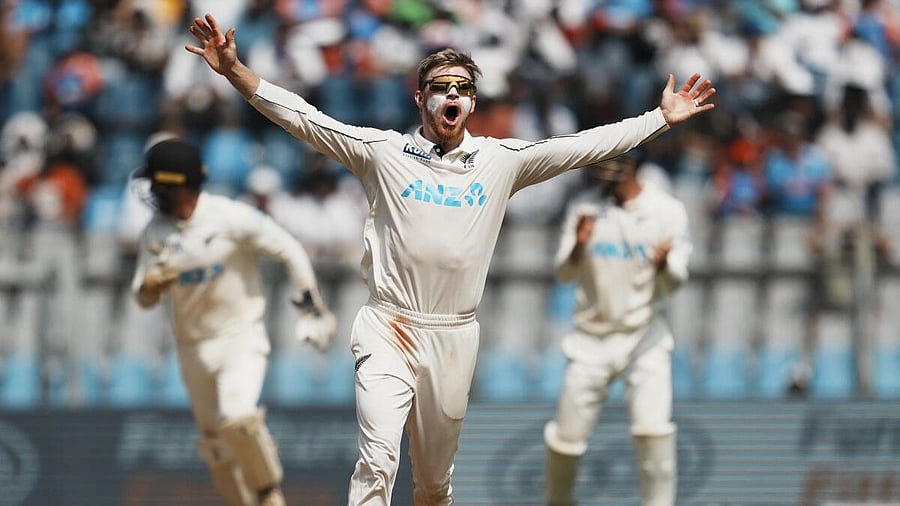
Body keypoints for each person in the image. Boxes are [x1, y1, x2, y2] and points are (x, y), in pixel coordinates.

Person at [184, 12, 714, 505]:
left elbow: (583, 146)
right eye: (441, 88)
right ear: (420, 98)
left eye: (463, 89)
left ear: (474, 103)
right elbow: (305, 118)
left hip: (454, 335)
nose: (452, 96)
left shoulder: (500, 161)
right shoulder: (383, 152)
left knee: (434, 484)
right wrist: (236, 73)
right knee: (377, 459)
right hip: (388, 324)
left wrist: (659, 120)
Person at [131, 138, 337, 506]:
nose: (152, 194)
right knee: (214, 446)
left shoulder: (229, 217)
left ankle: (269, 493)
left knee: (239, 419)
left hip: (240, 336)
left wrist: (312, 306)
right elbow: (142, 298)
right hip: (192, 347)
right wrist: (151, 284)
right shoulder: (156, 233)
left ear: (176, 185)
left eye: (158, 186)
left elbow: (288, 247)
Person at [543, 151, 692, 506]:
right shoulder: (584, 208)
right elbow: (564, 274)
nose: (598, 172)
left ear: (630, 166)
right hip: (591, 338)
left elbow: (676, 282)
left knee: (653, 431)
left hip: (645, 336)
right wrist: (579, 244)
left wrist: (663, 265)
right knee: (566, 439)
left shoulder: (667, 211)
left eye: (607, 164)